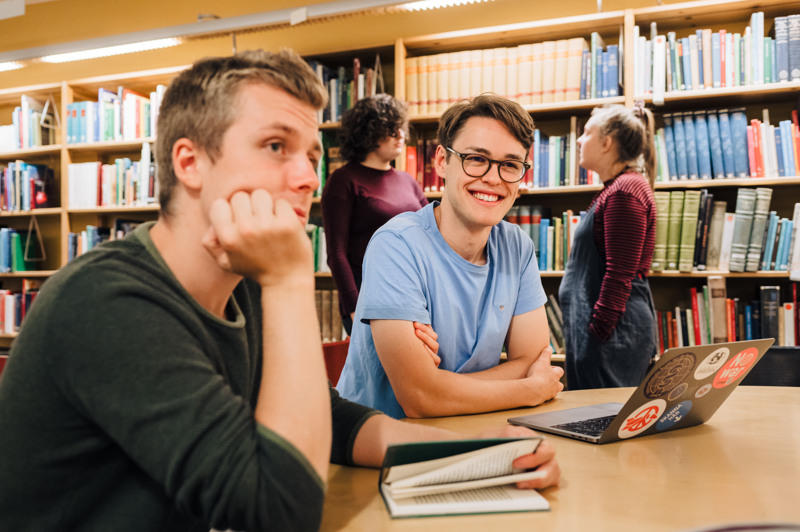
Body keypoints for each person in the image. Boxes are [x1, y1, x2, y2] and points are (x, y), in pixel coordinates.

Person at [0, 51, 559, 532]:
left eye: (312, 155)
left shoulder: (242, 287)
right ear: (189, 163)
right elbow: (280, 512)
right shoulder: (107, 302)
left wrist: (483, 456)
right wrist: (290, 278)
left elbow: (334, 421)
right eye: (275, 146)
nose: (309, 178)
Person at [336, 93, 564, 420]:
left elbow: (532, 362)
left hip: (471, 430)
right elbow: (419, 398)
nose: (493, 178)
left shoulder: (518, 246)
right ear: (442, 161)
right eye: (476, 158)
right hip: (382, 439)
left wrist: (440, 387)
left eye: (510, 165)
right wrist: (530, 390)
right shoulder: (396, 245)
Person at [560, 102, 658, 390]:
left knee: (605, 413)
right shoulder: (618, 188)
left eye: (587, 133)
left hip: (611, 335)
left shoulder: (625, 191)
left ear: (607, 142)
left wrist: (598, 332)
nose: (579, 140)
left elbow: (619, 274)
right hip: (604, 334)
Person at [321, 94, 428, 335]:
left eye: (400, 128)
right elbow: (337, 254)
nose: (401, 135)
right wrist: (354, 307)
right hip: (368, 299)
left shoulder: (408, 181)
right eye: (390, 129)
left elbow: (431, 231)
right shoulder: (343, 180)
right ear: (369, 133)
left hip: (412, 294)